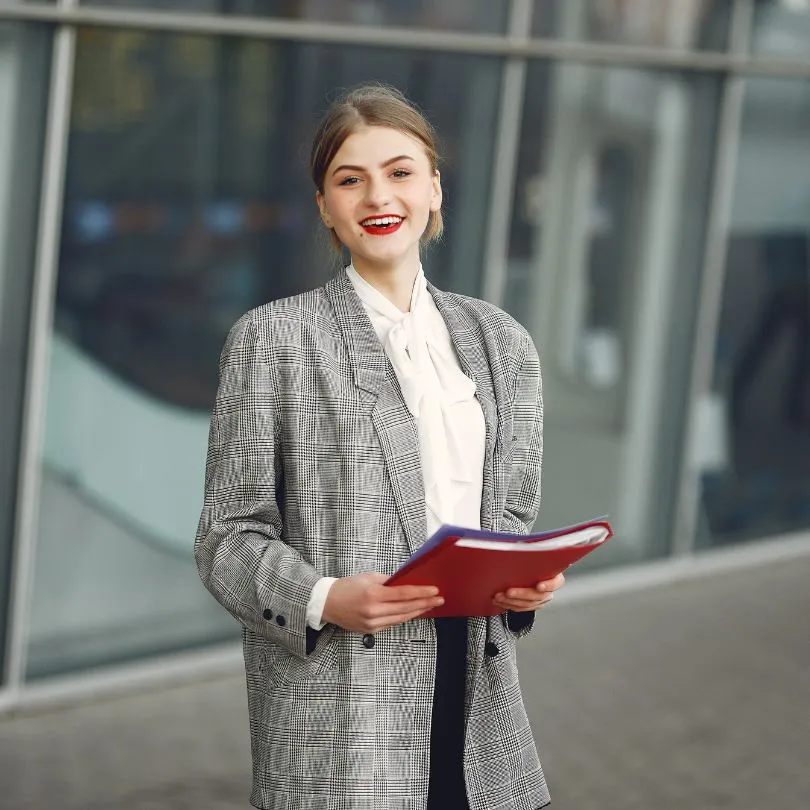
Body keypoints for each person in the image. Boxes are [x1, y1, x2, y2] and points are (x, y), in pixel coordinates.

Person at [195, 83, 565, 810]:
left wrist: (523, 586)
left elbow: (512, 513)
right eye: (349, 179)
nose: (377, 196)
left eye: (399, 171)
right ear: (325, 207)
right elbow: (225, 538)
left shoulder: (502, 343)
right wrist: (325, 597)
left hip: (477, 694)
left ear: (433, 187)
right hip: (343, 703)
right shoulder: (272, 340)